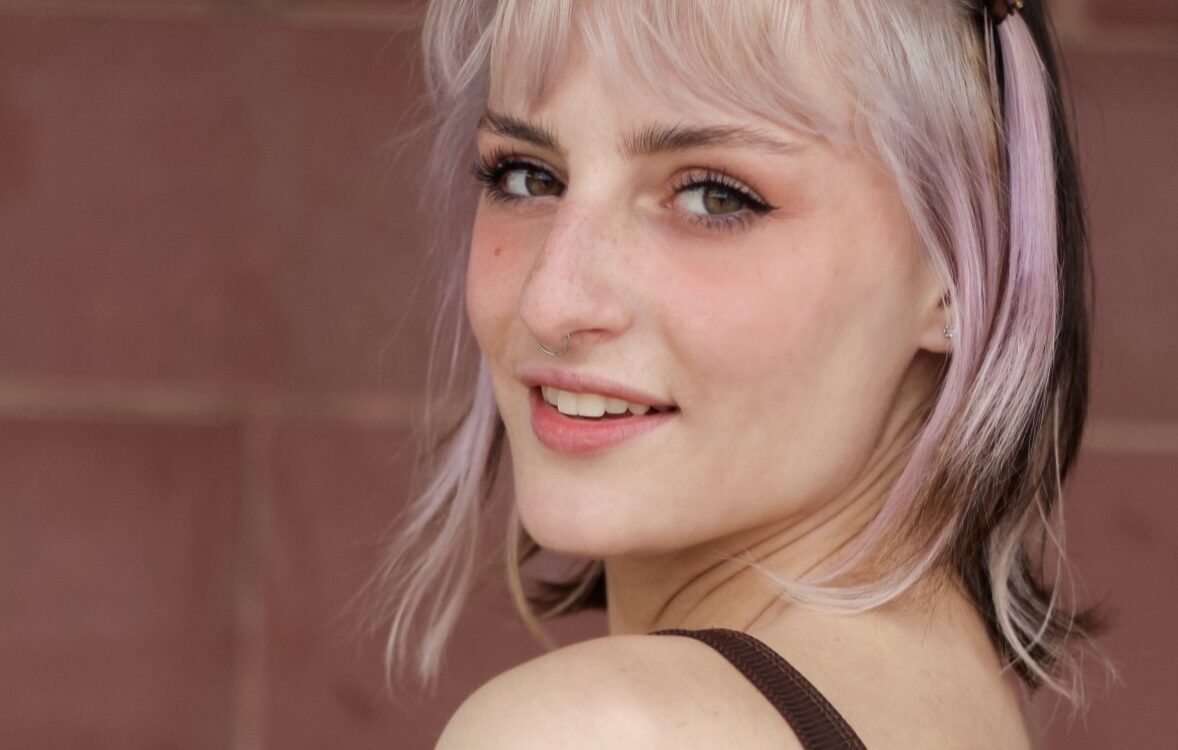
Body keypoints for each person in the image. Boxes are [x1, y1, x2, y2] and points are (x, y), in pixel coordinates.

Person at [368, 0, 1107, 747]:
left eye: (713, 197)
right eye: (528, 177)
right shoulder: (959, 708)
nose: (550, 303)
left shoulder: (600, 731)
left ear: (964, 263)